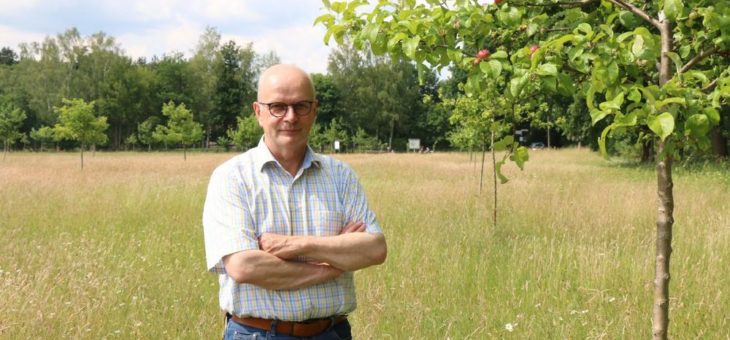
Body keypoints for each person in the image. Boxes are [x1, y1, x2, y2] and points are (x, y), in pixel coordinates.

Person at [203, 64, 387, 339]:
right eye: (278, 106)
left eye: (300, 106)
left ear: (314, 110)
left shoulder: (341, 176)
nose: (290, 117)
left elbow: (374, 249)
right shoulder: (231, 178)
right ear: (258, 112)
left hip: (332, 332)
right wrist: (333, 265)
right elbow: (244, 266)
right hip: (257, 333)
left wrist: (295, 245)